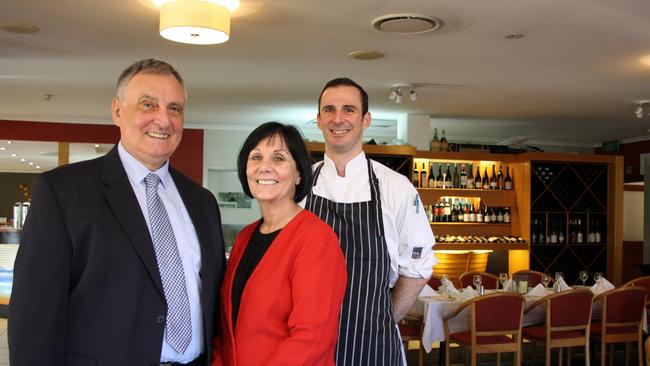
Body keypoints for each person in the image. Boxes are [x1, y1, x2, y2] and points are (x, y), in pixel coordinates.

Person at [8, 59, 226, 366]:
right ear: (117, 111)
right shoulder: (62, 192)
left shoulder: (202, 202)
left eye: (174, 108)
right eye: (148, 104)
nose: (163, 120)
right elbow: (34, 316)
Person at [303, 78, 437, 365]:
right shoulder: (299, 186)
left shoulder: (396, 187)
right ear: (318, 119)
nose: (338, 119)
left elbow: (418, 265)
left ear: (366, 120)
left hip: (373, 340)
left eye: (348, 110)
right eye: (329, 109)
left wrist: (386, 317)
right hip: (307, 340)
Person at [212, 122, 347, 366]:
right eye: (256, 157)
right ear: (246, 170)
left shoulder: (317, 240)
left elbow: (312, 337)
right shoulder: (245, 237)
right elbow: (225, 325)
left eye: (278, 158)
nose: (264, 167)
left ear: (299, 174)